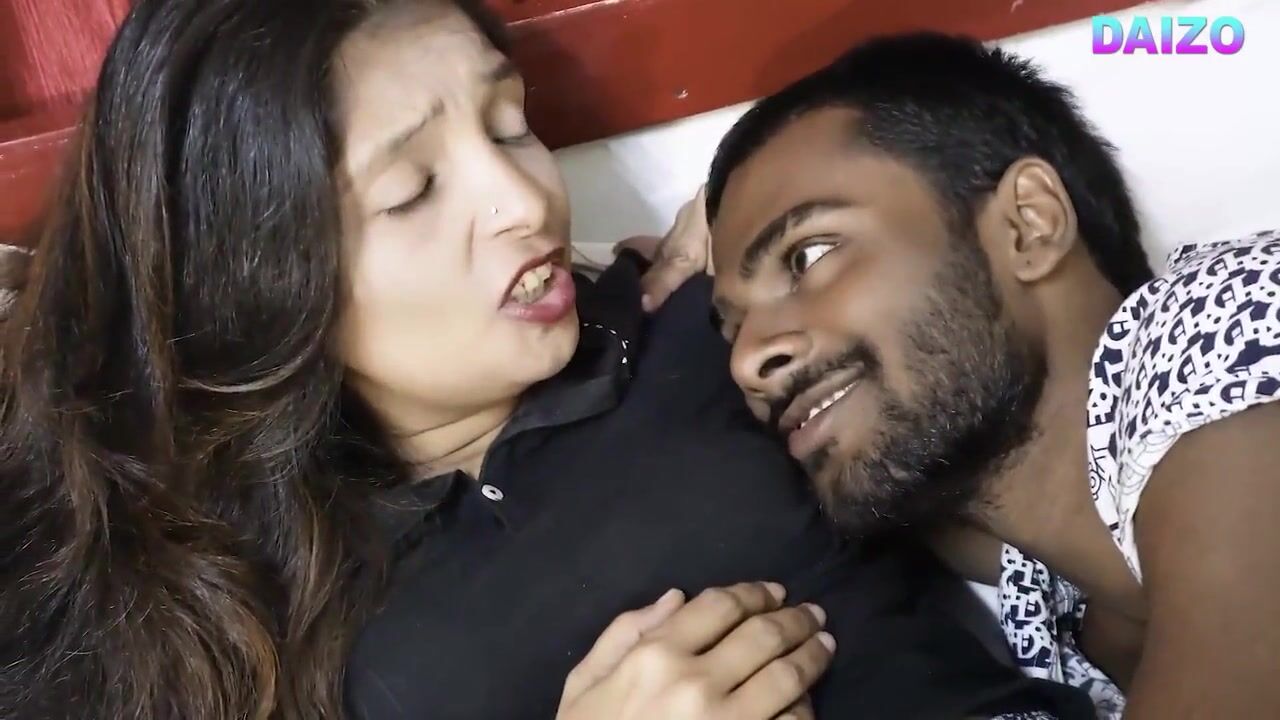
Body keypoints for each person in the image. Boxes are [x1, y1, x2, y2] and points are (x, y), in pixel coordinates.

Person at [0, 6, 1085, 720]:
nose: (523, 201)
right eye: (414, 191)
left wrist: (771, 227)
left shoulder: (700, 328)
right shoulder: (202, 587)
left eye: (511, 124)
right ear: (259, 274)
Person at [640, 31, 1280, 720]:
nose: (748, 361)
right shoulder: (1041, 620)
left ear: (1028, 225)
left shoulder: (1233, 315)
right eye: (732, 329)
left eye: (809, 255)